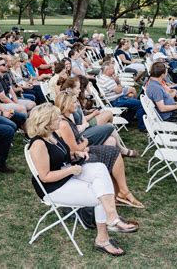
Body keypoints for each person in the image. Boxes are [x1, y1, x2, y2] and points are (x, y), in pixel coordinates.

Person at [27, 104, 139, 257]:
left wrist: (76, 155)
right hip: (53, 188)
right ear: (46, 121)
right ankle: (103, 239)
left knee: (100, 168)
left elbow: (62, 155)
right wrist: (71, 169)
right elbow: (45, 177)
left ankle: (112, 217)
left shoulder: (53, 135)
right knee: (99, 196)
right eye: (56, 117)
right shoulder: (38, 144)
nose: (60, 119)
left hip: (66, 174)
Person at [54, 92, 144, 208]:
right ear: (66, 104)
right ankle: (119, 193)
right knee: (110, 154)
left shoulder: (67, 118)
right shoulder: (63, 124)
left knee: (113, 151)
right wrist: (85, 142)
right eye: (74, 102)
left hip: (82, 151)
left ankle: (122, 191)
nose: (76, 104)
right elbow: (74, 149)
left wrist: (84, 143)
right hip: (76, 158)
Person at [97, 62, 145, 130]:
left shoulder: (102, 77)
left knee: (134, 100)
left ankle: (127, 119)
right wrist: (117, 82)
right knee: (139, 103)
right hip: (116, 101)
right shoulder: (107, 81)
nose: (114, 70)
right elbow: (119, 91)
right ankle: (142, 126)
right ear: (107, 70)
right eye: (112, 68)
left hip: (115, 99)